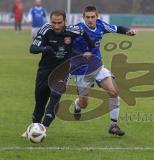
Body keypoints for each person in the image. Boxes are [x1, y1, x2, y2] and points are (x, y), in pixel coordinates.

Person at [21, 10, 94, 137]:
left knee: (55, 96)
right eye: (53, 22)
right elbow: (32, 48)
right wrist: (44, 49)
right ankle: (34, 128)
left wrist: (88, 50)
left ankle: (42, 129)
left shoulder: (73, 30)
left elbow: (87, 37)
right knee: (40, 103)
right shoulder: (46, 29)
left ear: (65, 21)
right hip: (44, 70)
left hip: (63, 71)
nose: (56, 26)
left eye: (59, 23)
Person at [71, 6, 136, 136]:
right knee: (84, 104)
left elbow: (117, 28)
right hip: (81, 71)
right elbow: (68, 48)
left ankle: (113, 125)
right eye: (87, 17)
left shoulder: (100, 25)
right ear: (83, 18)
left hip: (97, 67)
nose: (90, 20)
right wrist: (81, 54)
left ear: (97, 17)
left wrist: (128, 31)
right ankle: (77, 104)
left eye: (92, 17)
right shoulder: (76, 30)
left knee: (114, 92)